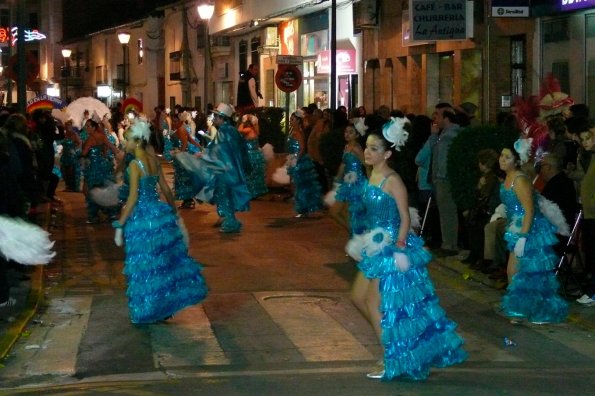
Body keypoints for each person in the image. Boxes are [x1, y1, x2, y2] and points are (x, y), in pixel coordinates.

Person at [347, 118, 466, 381]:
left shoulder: (392, 179)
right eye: (367, 147)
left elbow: (405, 217)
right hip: (375, 245)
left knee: (375, 302)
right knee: (357, 297)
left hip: (390, 248)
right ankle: (393, 350)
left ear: (387, 153)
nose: (367, 152)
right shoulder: (372, 174)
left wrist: (399, 248)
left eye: (374, 148)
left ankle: (391, 356)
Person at [112, 121, 208, 324]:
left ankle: (148, 308)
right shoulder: (153, 160)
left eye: (127, 139)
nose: (125, 143)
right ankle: (162, 306)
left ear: (137, 141)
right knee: (161, 263)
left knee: (145, 265)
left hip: (142, 219)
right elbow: (164, 188)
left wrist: (120, 223)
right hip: (158, 214)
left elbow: (131, 199)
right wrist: (173, 211)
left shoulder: (134, 164)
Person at [498, 141, 568, 324]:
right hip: (516, 228)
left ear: (516, 160)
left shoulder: (519, 180)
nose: (502, 160)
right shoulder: (507, 178)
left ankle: (533, 311)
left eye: (507, 157)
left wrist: (523, 237)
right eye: (501, 156)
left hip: (530, 230)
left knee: (529, 273)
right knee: (516, 272)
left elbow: (529, 210)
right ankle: (520, 310)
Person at [428, 104, 461, 256]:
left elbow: (443, 160)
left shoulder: (451, 135)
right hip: (440, 179)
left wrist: (441, 177)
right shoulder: (444, 134)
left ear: (446, 118)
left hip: (444, 180)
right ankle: (447, 242)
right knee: (444, 212)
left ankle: (450, 245)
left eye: (438, 115)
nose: (435, 118)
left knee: (448, 212)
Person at [329, 123, 366, 234]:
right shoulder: (346, 146)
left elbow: (366, 164)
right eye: (346, 132)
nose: (347, 134)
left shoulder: (356, 147)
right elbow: (343, 165)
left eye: (351, 132)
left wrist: (370, 184)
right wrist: (337, 180)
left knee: (349, 213)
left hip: (356, 184)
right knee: (335, 212)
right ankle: (354, 234)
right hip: (347, 183)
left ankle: (355, 236)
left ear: (357, 135)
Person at [286, 109, 323, 217]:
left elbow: (302, 148)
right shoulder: (293, 131)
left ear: (298, 121)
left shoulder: (298, 132)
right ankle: (301, 209)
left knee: (298, 186)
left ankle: (302, 209)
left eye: (292, 119)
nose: (290, 121)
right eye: (290, 119)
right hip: (294, 160)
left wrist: (295, 159)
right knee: (295, 185)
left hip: (298, 162)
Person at [238, 114, 268, 198]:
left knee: (249, 174)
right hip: (256, 154)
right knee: (254, 175)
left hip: (250, 155)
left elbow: (239, 130)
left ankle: (250, 193)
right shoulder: (255, 130)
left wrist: (243, 122)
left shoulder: (248, 129)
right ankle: (254, 192)